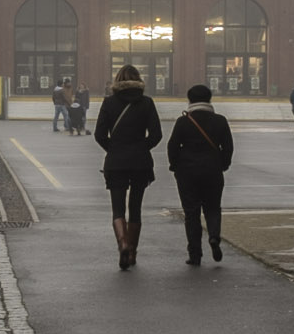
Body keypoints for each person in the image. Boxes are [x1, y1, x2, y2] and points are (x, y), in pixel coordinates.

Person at [94, 65, 162, 270]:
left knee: (117, 208)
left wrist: (114, 149)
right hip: (140, 162)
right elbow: (157, 135)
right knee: (136, 207)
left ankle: (122, 242)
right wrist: (142, 147)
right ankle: (132, 251)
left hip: (116, 162)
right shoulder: (147, 102)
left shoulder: (109, 102)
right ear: (139, 80)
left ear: (117, 81)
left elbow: (99, 135)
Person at [167, 84, 234, 264]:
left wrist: (175, 166)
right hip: (213, 169)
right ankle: (213, 236)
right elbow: (228, 147)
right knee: (213, 207)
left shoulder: (183, 121)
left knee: (191, 212)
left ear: (190, 100)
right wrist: (223, 164)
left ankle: (195, 254)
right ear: (209, 99)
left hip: (187, 171)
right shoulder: (220, 120)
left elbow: (172, 146)